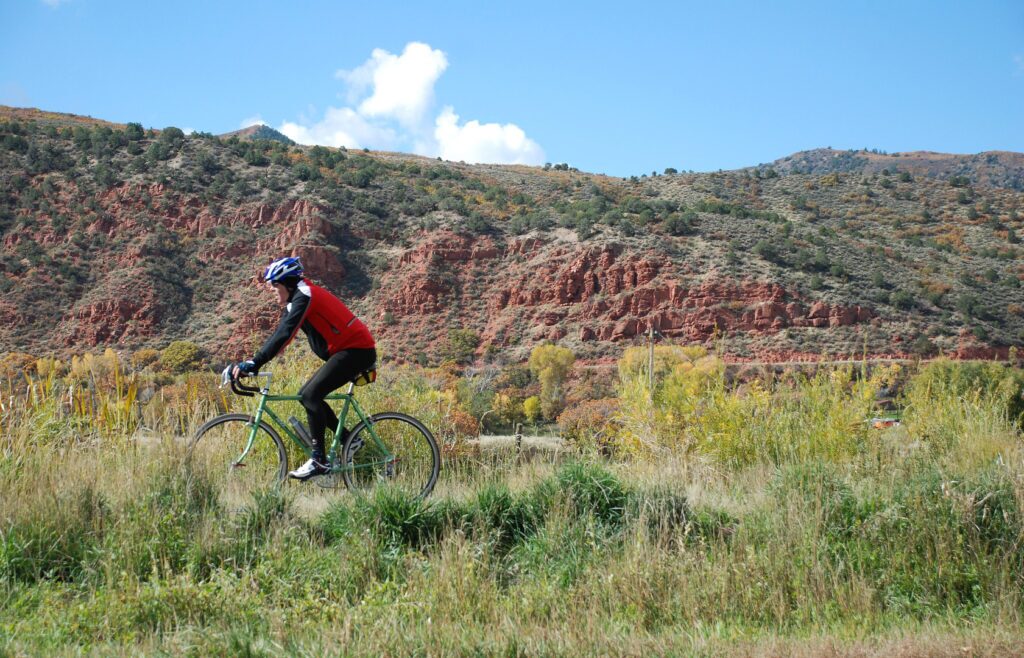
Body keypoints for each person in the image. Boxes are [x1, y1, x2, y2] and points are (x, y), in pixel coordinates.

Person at [232, 256, 376, 480]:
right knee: (306, 395)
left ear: (287, 283)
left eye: (275, 286)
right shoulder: (297, 299)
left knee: (310, 395)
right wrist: (253, 362)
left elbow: (285, 334)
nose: (273, 291)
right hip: (348, 351)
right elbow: (280, 334)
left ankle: (319, 461)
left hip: (357, 350)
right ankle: (349, 440)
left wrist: (254, 363)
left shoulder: (305, 294)